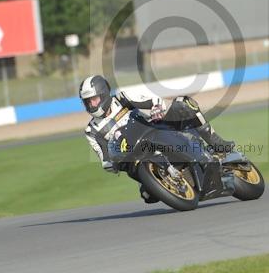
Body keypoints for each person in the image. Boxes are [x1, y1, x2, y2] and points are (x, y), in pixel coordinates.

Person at [79, 75, 234, 202]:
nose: (91, 105)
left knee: (184, 103)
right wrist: (110, 164)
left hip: (153, 131)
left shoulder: (121, 99)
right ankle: (168, 181)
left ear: (104, 94)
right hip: (133, 158)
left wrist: (156, 109)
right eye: (87, 102)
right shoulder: (91, 131)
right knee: (148, 196)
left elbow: (153, 101)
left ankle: (216, 142)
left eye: (94, 99)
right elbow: (104, 157)